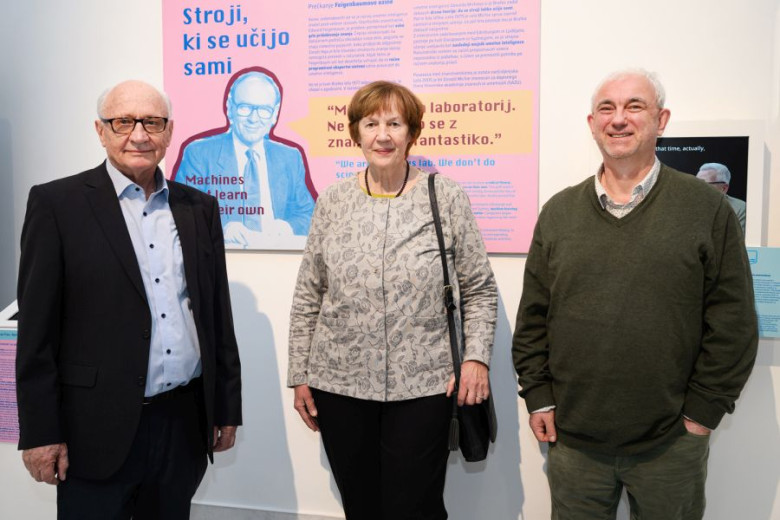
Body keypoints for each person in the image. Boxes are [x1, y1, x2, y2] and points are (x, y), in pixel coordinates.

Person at [512, 69, 757, 519]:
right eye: (607, 108)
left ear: (661, 120)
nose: (618, 119)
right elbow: (533, 317)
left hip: (670, 443)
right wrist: (538, 395)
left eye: (634, 107)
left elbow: (734, 319)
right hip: (574, 441)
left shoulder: (705, 207)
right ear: (591, 123)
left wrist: (702, 413)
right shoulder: (560, 212)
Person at [16, 80, 243, 519]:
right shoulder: (56, 204)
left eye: (152, 123)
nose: (139, 135)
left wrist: (225, 407)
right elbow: (37, 332)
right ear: (100, 131)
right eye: (123, 122)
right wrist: (40, 432)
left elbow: (217, 316)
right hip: (94, 429)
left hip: (182, 423)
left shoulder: (199, 208)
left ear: (169, 131)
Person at [288, 80, 497, 519]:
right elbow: (310, 291)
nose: (383, 135)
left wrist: (475, 359)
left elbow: (478, 288)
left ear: (412, 133)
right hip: (339, 384)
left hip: (424, 384)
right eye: (371, 123)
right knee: (361, 505)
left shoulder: (445, 196)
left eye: (395, 123)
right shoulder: (333, 201)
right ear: (356, 133)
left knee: (415, 507)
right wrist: (299, 374)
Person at [175, 69, 315, 249]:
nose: (253, 118)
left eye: (264, 110)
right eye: (245, 107)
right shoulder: (199, 154)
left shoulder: (290, 157)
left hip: (277, 257)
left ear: (275, 114)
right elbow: (183, 213)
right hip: (222, 259)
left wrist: (286, 227)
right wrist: (223, 229)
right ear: (229, 108)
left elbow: (308, 213)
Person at [696, 162, 746, 233]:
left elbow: (734, 242)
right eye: (696, 183)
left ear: (724, 188)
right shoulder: (686, 206)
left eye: (704, 184)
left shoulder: (739, 208)